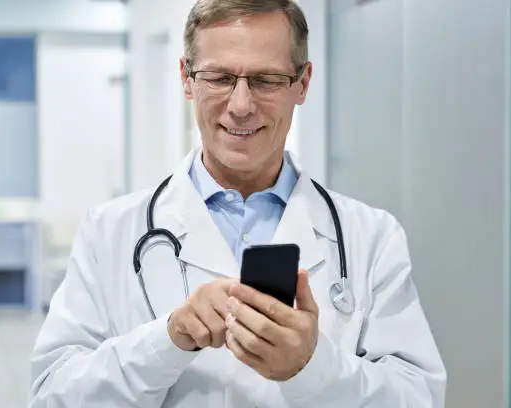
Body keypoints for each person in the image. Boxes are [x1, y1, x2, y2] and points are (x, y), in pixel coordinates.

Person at [29, 0, 446, 407]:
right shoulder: (110, 231)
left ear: (302, 84)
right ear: (186, 79)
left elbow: (418, 397)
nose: (241, 105)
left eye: (266, 80)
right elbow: (52, 395)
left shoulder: (371, 237)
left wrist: (312, 365)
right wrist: (167, 340)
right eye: (219, 77)